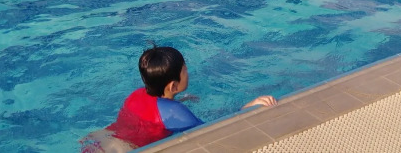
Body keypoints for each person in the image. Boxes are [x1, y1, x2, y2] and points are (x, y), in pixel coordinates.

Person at [81, 46, 277, 152]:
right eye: (185, 70)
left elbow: (151, 114)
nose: (188, 73)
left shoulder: (137, 94)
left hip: (99, 143)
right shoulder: (176, 113)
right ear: (173, 86)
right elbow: (215, 133)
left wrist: (177, 103)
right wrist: (248, 108)